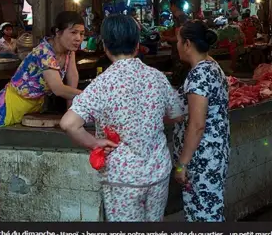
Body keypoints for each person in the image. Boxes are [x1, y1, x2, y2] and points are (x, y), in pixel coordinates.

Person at [60, 14, 183, 222]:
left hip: (122, 178)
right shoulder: (157, 77)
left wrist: (95, 143)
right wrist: (148, 119)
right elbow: (177, 114)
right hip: (157, 172)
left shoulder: (103, 83)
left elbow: (69, 124)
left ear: (106, 47)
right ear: (137, 46)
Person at [0, 11, 85, 221]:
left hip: (30, 109)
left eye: (82, 34)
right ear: (58, 32)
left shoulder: (68, 53)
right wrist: (91, 96)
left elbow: (71, 85)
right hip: (8, 107)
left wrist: (72, 115)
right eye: (73, 32)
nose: (78, 38)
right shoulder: (43, 52)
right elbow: (58, 89)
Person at [173, 20, 230, 222]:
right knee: (210, 212)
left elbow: (197, 125)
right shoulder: (212, 66)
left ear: (188, 44)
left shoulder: (199, 75)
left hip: (201, 159)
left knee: (202, 215)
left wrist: (182, 164)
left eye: (178, 41)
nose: (176, 46)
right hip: (214, 155)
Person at [161, 0, 190, 86]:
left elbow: (178, 37)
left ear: (174, 5)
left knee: (180, 78)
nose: (170, 8)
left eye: (170, 5)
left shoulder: (180, 18)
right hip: (179, 52)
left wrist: (165, 38)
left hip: (180, 53)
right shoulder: (181, 17)